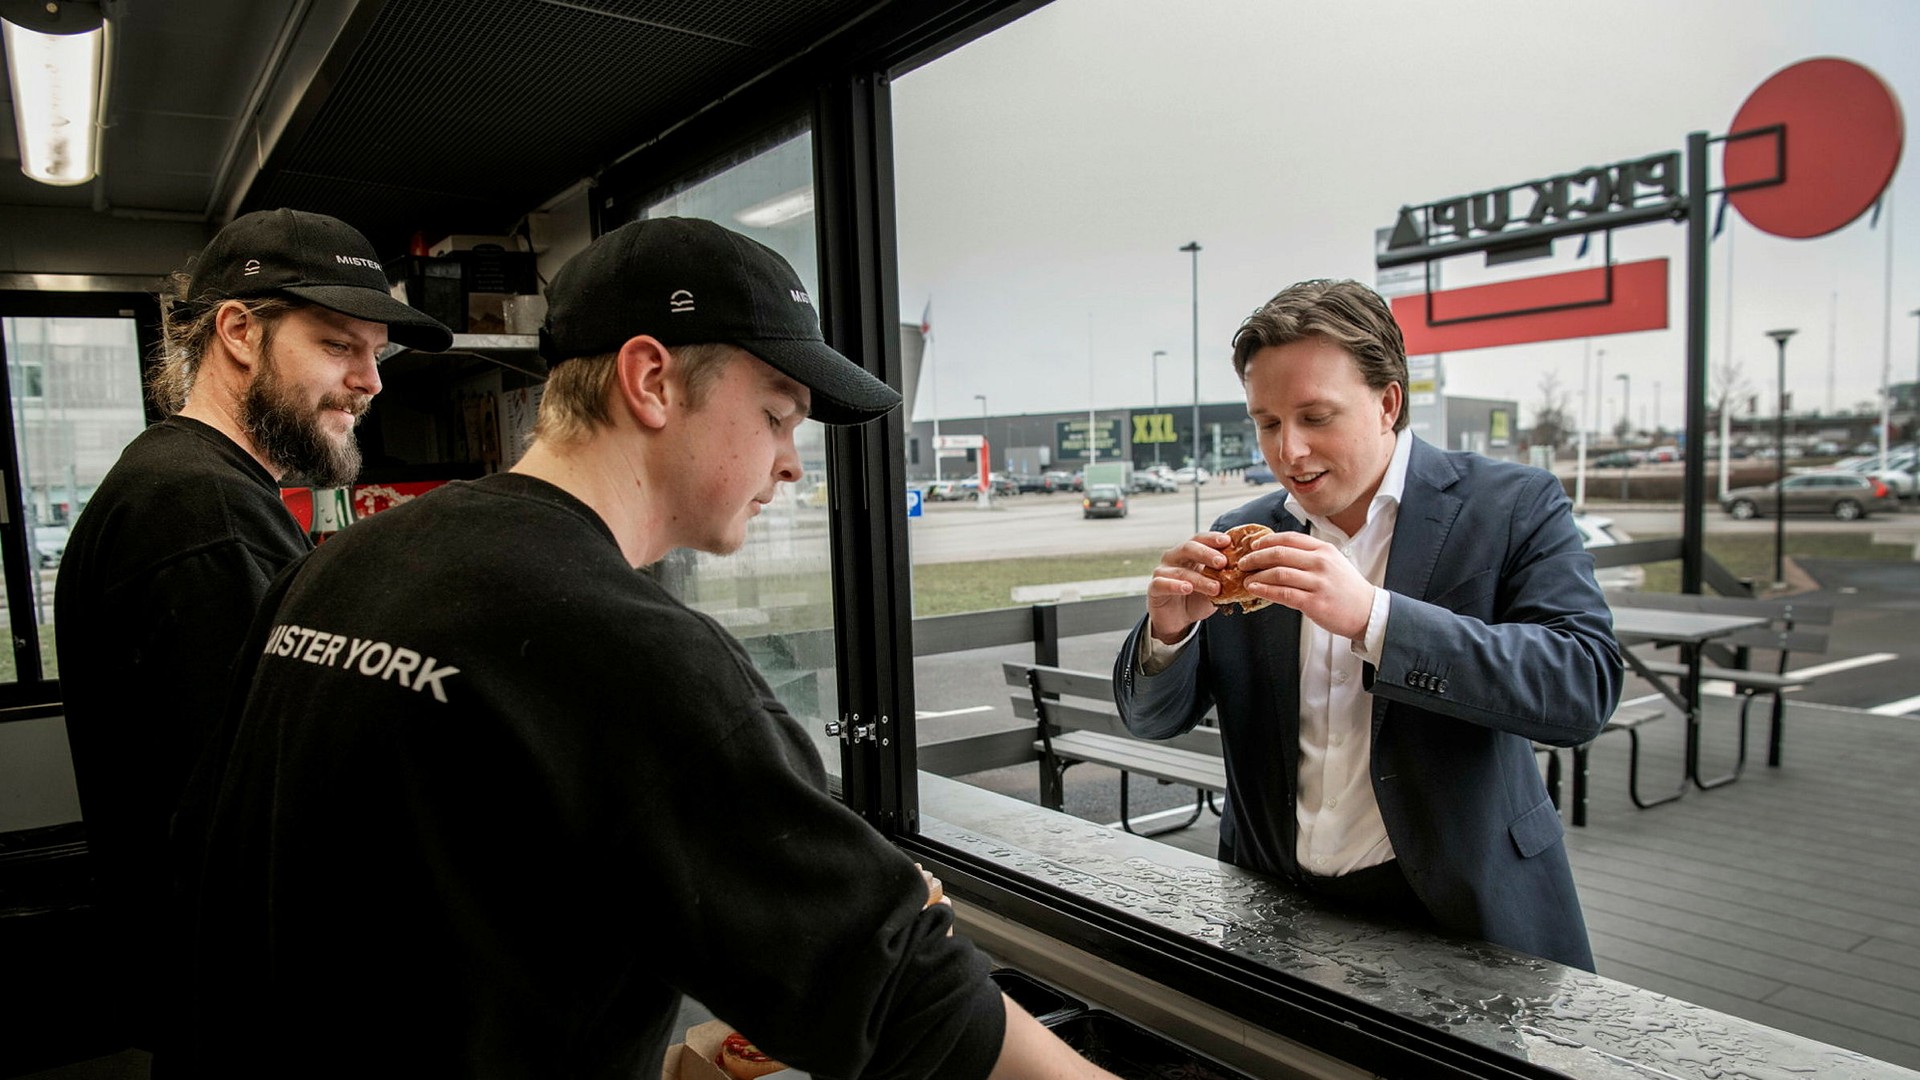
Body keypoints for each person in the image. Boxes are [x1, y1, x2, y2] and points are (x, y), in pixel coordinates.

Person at [175, 217, 1120, 1080]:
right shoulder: (628, 651)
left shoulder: (348, 564)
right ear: (651, 381)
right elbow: (907, 998)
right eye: (778, 415)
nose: (792, 460)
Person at [1111, 279, 1621, 971]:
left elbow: (1581, 686)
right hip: (1275, 918)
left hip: (1460, 917)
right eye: (1266, 423)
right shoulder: (1241, 535)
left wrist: (1375, 617)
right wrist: (1168, 636)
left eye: (1315, 416)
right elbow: (1152, 722)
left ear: (1388, 403)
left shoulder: (1511, 505)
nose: (1288, 451)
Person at [54, 207, 451, 1050]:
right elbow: (268, 799)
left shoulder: (180, 481)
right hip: (251, 1006)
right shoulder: (202, 510)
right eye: (340, 345)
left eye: (376, 353)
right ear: (239, 331)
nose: (372, 381)